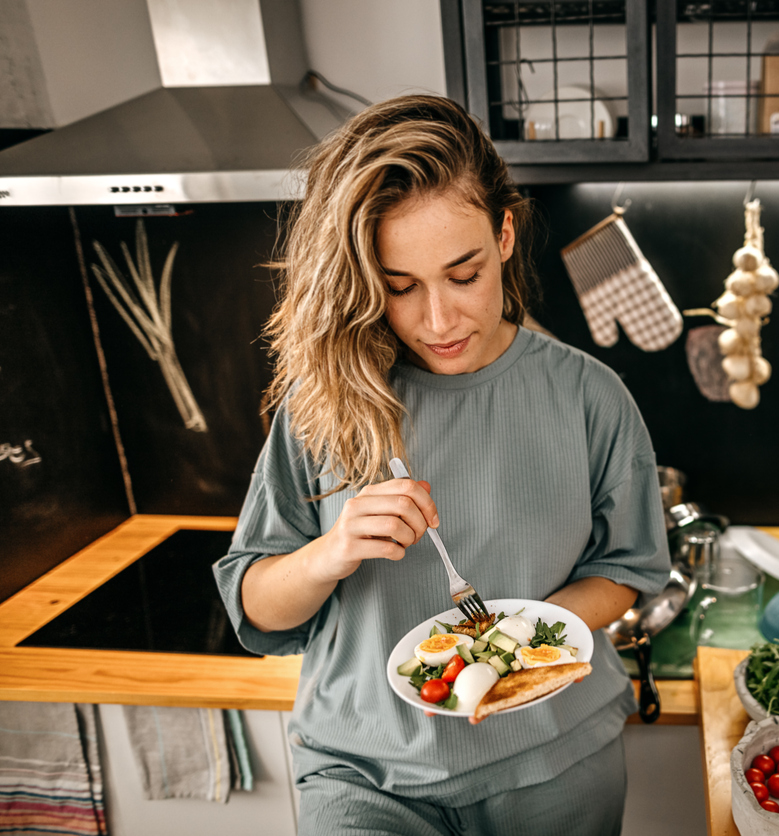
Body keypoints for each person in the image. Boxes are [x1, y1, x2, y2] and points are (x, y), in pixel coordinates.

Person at [213, 95, 670, 836]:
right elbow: (256, 609)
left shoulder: (589, 395)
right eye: (400, 287)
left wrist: (515, 638)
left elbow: (631, 570)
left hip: (552, 759)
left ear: (505, 234)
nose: (437, 320)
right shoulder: (322, 398)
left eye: (464, 274)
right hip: (363, 773)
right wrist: (332, 552)